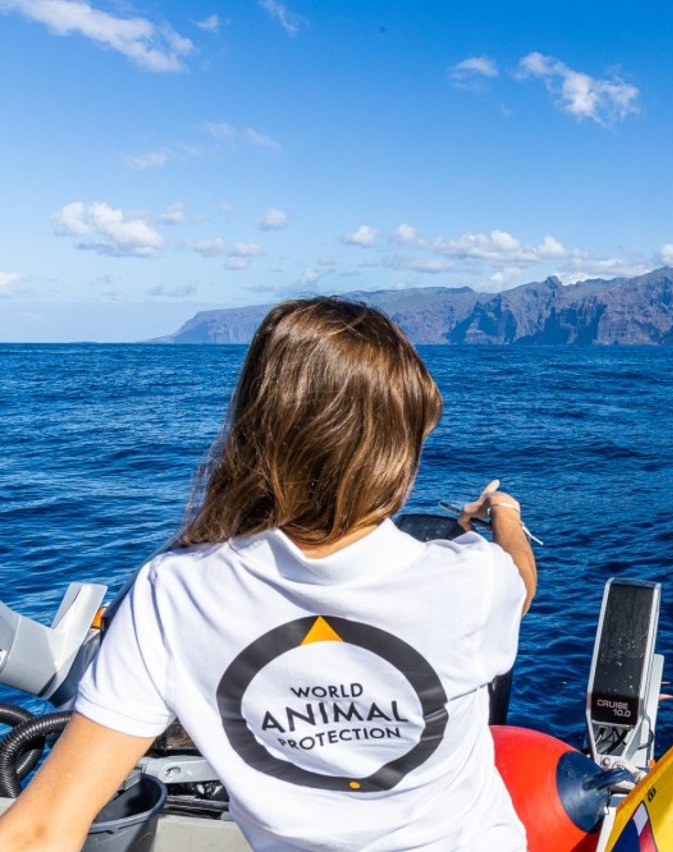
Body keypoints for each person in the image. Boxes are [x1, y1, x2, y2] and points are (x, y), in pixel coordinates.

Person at [0, 297, 536, 851]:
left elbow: (41, 830)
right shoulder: (475, 577)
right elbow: (520, 583)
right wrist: (502, 517)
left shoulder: (174, 590)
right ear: (397, 452)